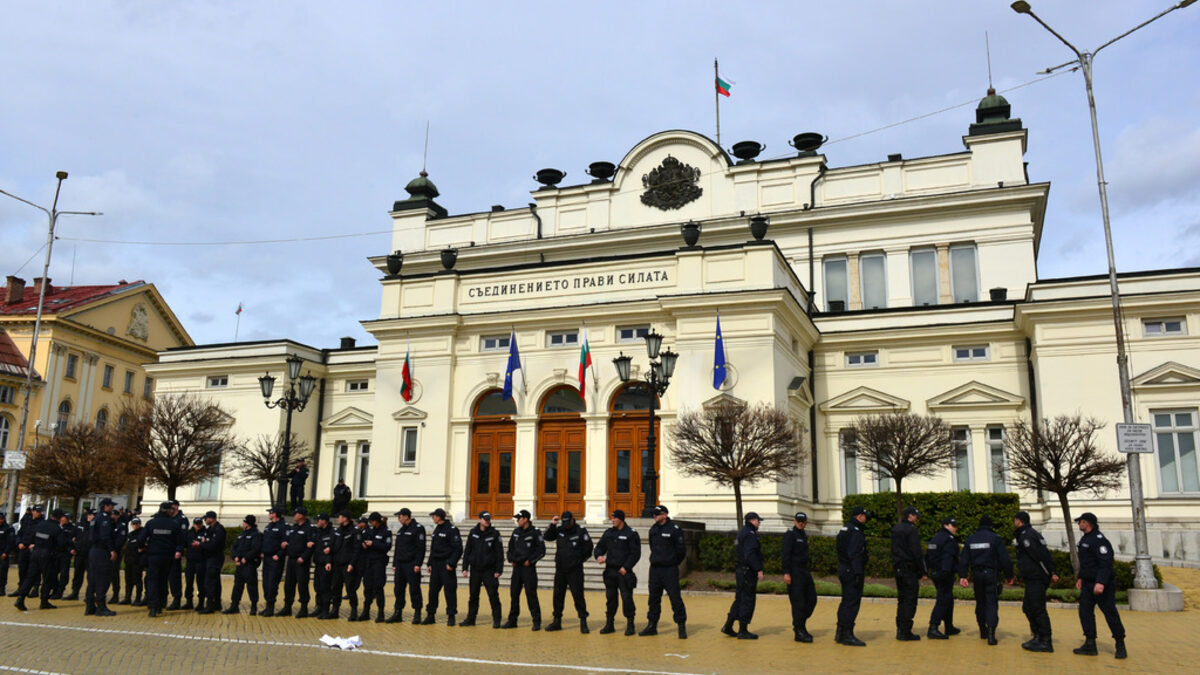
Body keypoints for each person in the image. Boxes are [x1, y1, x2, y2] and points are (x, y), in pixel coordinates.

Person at [1072, 512, 1126, 659]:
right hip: (1088, 583)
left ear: (1087, 523)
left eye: (1080, 522)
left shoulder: (1099, 540)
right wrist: (1081, 578)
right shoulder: (1085, 539)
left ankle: (1120, 643)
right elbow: (1086, 563)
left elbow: (1106, 563)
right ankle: (1090, 643)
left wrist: (1101, 582)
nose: (1079, 524)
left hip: (1102, 585)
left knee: (1110, 613)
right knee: (1085, 613)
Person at [958, 515, 1013, 646]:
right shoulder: (996, 538)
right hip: (991, 575)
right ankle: (991, 634)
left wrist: (963, 576)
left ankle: (982, 630)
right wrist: (1009, 575)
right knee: (991, 603)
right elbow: (1005, 559)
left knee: (980, 603)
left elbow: (964, 559)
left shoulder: (971, 539)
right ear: (991, 526)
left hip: (977, 575)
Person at [1014, 511, 1058, 652]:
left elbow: (1039, 555)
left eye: (1015, 520)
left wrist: (1050, 572)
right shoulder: (1033, 533)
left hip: (1036, 577)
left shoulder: (1026, 536)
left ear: (1019, 521)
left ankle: (1045, 640)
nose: (1014, 523)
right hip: (1033, 577)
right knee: (1028, 608)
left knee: (1038, 609)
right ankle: (1037, 636)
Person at [543, 510, 593, 634]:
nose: (566, 525)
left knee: (578, 596)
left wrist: (578, 560)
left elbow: (588, 548)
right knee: (558, 596)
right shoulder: (560, 529)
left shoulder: (580, 531)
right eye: (563, 522)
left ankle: (583, 621)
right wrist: (552, 525)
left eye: (568, 523)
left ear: (572, 520)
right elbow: (547, 537)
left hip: (575, 570)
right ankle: (557, 621)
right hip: (561, 569)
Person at [642, 505, 687, 639]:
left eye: (657, 514)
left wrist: (672, 561)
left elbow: (681, 551)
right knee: (653, 598)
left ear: (665, 515)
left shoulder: (674, 529)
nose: (654, 516)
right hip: (655, 569)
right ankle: (652, 625)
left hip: (669, 569)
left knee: (675, 598)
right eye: (654, 514)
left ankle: (681, 625)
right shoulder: (653, 529)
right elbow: (653, 547)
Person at [596, 509, 641, 636]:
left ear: (621, 519)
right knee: (610, 599)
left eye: (615, 518)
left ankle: (630, 624)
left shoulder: (631, 533)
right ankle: (609, 624)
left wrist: (626, 567)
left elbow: (635, 553)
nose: (612, 520)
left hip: (623, 572)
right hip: (610, 571)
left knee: (627, 598)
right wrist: (598, 555)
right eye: (612, 518)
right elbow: (599, 547)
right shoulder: (609, 533)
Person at [13, 508, 68, 611]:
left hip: (35, 553)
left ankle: (20, 598)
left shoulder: (41, 524)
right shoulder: (57, 528)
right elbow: (62, 544)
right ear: (60, 518)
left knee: (30, 577)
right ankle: (44, 601)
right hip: (48, 555)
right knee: (47, 578)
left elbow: (31, 537)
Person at [502, 509, 545, 631]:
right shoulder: (516, 532)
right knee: (514, 594)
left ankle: (536, 621)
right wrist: (511, 559)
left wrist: (530, 561)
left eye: (519, 519)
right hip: (517, 568)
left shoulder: (535, 532)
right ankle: (512, 620)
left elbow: (541, 551)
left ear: (525, 519)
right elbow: (510, 548)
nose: (517, 521)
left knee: (531, 594)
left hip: (528, 568)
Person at [722, 511, 762, 640]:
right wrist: (758, 569)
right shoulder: (750, 534)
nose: (759, 523)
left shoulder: (742, 532)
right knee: (747, 600)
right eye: (758, 521)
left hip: (741, 570)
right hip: (748, 572)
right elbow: (750, 554)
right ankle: (743, 630)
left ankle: (728, 625)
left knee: (739, 599)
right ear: (752, 520)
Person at [460, 510, 504, 628]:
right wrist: (465, 568)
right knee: (473, 596)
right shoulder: (473, 532)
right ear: (480, 520)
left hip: (489, 570)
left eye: (489, 519)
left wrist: (499, 570)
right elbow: (467, 551)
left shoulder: (494, 534)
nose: (487, 521)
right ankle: (471, 619)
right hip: (475, 569)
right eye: (485, 519)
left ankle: (497, 619)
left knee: (493, 595)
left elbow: (499, 553)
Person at [142, 501, 184, 617]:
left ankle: (153, 606)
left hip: (154, 556)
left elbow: (141, 539)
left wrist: (144, 547)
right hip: (167, 556)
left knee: (152, 581)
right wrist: (177, 549)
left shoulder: (151, 523)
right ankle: (161, 604)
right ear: (168, 511)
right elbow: (180, 540)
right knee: (163, 580)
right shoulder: (174, 524)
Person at [890, 506, 926, 641]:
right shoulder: (911, 530)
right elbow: (916, 552)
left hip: (899, 569)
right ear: (910, 516)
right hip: (909, 570)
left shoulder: (896, 529)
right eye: (916, 516)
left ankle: (900, 628)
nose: (917, 519)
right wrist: (923, 570)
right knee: (910, 600)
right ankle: (906, 631)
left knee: (901, 600)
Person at [384, 507, 425, 624]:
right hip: (400, 564)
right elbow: (397, 548)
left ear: (406, 516)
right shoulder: (401, 530)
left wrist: (418, 563)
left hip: (412, 563)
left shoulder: (418, 528)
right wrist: (394, 563)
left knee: (414, 589)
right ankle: (398, 613)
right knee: (398, 589)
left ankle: (417, 613)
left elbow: (421, 548)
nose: (398, 519)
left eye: (400, 516)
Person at [836, 506, 869, 646]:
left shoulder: (845, 529)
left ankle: (840, 632)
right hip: (852, 571)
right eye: (865, 516)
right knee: (852, 603)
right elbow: (854, 553)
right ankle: (847, 634)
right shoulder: (855, 531)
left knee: (845, 601)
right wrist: (857, 573)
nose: (866, 519)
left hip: (844, 569)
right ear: (860, 516)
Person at [422, 508, 462, 625]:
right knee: (433, 591)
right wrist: (429, 563)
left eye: (434, 516)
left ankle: (451, 615)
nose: (433, 518)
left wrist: (451, 563)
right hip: (436, 564)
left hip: (446, 565)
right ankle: (431, 615)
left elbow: (458, 549)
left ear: (439, 517)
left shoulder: (452, 530)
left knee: (449, 591)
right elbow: (433, 548)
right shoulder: (437, 529)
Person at [782, 511, 817, 643]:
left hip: (804, 572)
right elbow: (785, 554)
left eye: (803, 521)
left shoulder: (803, 534)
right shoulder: (790, 535)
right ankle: (799, 630)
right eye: (798, 521)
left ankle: (801, 624)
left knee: (812, 599)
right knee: (798, 603)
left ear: (806, 522)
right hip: (794, 572)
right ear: (795, 521)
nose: (800, 523)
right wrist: (786, 573)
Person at [925, 517, 961, 639]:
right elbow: (948, 557)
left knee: (948, 599)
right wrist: (947, 571)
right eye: (953, 525)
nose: (956, 528)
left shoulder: (935, 538)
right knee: (943, 599)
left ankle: (949, 626)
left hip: (935, 572)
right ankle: (933, 627)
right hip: (944, 573)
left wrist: (926, 571)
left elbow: (928, 556)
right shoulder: (948, 539)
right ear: (946, 525)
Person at [86, 499, 119, 617]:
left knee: (92, 579)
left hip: (94, 551)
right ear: (106, 506)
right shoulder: (105, 519)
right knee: (103, 579)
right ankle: (101, 607)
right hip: (102, 552)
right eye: (111, 506)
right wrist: (112, 550)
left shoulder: (95, 518)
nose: (112, 508)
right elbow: (105, 536)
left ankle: (90, 606)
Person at [224, 514, 263, 615]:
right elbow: (235, 547)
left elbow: (256, 549)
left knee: (252, 586)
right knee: (237, 586)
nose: (243, 523)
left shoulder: (256, 534)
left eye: (244, 522)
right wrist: (235, 557)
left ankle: (253, 607)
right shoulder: (242, 534)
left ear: (248, 524)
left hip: (249, 564)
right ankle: (234, 606)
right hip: (239, 565)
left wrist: (246, 558)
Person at [281, 506, 316, 617]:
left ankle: (303, 608)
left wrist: (304, 557)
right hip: (291, 560)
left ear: (301, 515)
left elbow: (311, 546)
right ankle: (287, 607)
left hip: (301, 561)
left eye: (296, 514)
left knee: (302, 585)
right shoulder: (294, 527)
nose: (294, 516)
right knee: (288, 585)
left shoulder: (309, 528)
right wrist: (285, 544)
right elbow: (290, 540)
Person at [359, 511, 392, 622]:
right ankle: (366, 611)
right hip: (368, 562)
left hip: (379, 562)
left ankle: (381, 613)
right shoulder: (369, 530)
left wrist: (373, 544)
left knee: (378, 587)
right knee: (367, 588)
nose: (371, 523)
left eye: (372, 521)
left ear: (377, 521)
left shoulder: (386, 531)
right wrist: (364, 544)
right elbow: (362, 540)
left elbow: (387, 546)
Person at [329, 512, 359, 620]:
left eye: (339, 517)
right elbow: (333, 546)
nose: (337, 519)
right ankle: (335, 610)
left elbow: (356, 550)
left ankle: (354, 611)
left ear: (345, 518)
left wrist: (352, 564)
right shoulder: (338, 530)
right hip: (337, 564)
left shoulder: (354, 531)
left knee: (350, 588)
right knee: (335, 587)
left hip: (347, 565)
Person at [259, 507, 287, 616]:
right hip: (266, 558)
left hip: (275, 559)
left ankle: (270, 607)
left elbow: (286, 543)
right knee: (265, 583)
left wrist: (279, 555)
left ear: (275, 514)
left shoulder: (283, 526)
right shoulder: (269, 526)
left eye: (270, 513)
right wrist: (262, 551)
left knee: (272, 583)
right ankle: (267, 605)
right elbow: (264, 540)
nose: (269, 514)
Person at [311, 513, 337, 620]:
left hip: (326, 564)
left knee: (325, 588)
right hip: (318, 563)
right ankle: (319, 607)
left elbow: (332, 549)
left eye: (318, 520)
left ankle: (325, 610)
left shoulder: (332, 532)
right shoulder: (318, 532)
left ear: (324, 521)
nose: (317, 522)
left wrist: (328, 562)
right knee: (317, 587)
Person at [14, 506, 41, 599]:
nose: (38, 513)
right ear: (33, 512)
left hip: (34, 549)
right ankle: (21, 588)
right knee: (22, 569)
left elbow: (42, 536)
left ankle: (35, 589)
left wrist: (35, 544)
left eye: (39, 511)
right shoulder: (26, 521)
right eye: (37, 511)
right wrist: (19, 542)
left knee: (34, 570)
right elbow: (20, 533)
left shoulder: (41, 523)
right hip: (24, 548)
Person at [344, 515, 369, 620]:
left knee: (362, 582)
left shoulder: (368, 532)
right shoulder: (356, 531)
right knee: (352, 582)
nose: (358, 524)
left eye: (360, 523)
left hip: (365, 561)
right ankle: (351, 593)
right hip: (357, 561)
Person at [65, 510, 93, 601]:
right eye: (90, 515)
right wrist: (71, 548)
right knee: (77, 574)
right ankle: (75, 592)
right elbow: (71, 538)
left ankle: (90, 595)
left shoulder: (94, 526)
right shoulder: (78, 525)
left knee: (91, 576)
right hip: (79, 553)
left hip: (90, 554)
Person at [167, 500, 187, 610]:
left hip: (175, 551)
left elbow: (182, 536)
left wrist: (179, 549)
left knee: (174, 576)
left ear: (176, 507)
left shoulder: (181, 519)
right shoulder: (168, 518)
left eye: (172, 506)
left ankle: (176, 598)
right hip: (166, 551)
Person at [122, 517, 146, 606]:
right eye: (134, 524)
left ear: (140, 524)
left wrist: (144, 549)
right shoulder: (130, 535)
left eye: (137, 524)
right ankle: (127, 597)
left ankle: (138, 598)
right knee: (128, 580)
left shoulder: (143, 534)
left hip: (137, 561)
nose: (135, 525)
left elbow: (146, 546)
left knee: (137, 580)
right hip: (129, 560)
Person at [183, 517, 206, 610]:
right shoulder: (189, 533)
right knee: (189, 582)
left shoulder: (205, 532)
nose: (198, 525)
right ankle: (189, 601)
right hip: (190, 561)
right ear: (193, 524)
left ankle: (201, 602)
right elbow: (185, 544)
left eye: (200, 523)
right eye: (197, 524)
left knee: (200, 582)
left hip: (201, 560)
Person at [0, 512, 14, 596]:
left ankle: (1, 588)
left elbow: (10, 543)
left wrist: (6, 552)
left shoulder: (8, 528)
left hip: (3, 553)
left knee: (2, 572)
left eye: (1, 519)